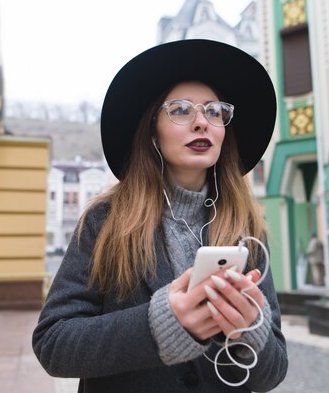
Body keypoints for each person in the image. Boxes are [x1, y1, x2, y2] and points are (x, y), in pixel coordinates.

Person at [32, 39, 288, 392]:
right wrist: (159, 324)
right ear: (152, 130)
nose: (202, 122)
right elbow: (54, 343)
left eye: (214, 111)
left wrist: (252, 331)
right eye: (181, 110)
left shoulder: (247, 229)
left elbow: (274, 372)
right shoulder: (105, 221)